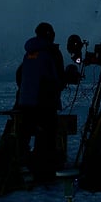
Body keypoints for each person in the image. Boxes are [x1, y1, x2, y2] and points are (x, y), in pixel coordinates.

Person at [16, 22, 65, 181]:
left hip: (25, 101)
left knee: (24, 135)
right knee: (46, 137)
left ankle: (18, 165)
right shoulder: (51, 52)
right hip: (44, 102)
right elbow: (58, 76)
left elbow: (19, 74)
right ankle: (43, 171)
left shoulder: (30, 52)